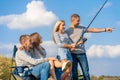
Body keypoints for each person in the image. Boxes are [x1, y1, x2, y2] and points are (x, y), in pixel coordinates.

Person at [65, 14, 113, 80]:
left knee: (86, 73)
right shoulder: (67, 32)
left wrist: (105, 29)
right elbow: (65, 44)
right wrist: (70, 48)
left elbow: (93, 29)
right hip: (72, 54)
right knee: (74, 74)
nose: (79, 22)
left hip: (82, 54)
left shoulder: (81, 28)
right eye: (77, 21)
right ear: (72, 21)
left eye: (79, 20)